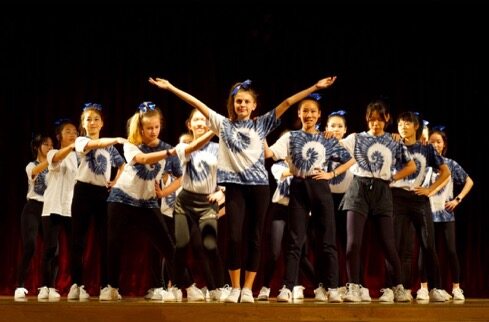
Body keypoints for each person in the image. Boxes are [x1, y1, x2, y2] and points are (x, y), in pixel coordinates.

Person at [149, 75, 337, 303]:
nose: (242, 105)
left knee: (255, 238)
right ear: (233, 103)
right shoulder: (223, 125)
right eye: (238, 101)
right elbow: (197, 103)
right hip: (235, 188)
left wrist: (314, 87)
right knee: (235, 237)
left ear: (254, 105)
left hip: (259, 187)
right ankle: (235, 287)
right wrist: (171, 87)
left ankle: (248, 288)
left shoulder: (261, 124)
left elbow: (287, 103)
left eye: (247, 102)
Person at [266, 93, 355, 303]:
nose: (309, 115)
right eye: (305, 111)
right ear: (299, 113)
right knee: (295, 240)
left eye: (313, 111)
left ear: (319, 115)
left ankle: (332, 287)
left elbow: (350, 159)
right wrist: (260, 133)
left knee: (328, 240)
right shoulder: (290, 137)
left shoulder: (326, 138)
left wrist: (331, 174)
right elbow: (269, 154)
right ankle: (288, 287)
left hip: (320, 186)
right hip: (298, 186)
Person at [340, 99, 416, 303]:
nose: (375, 124)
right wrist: (330, 133)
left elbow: (411, 166)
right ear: (366, 120)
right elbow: (335, 145)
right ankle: (354, 287)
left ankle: (398, 287)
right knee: (353, 243)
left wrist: (392, 178)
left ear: (387, 119)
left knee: (388, 244)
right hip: (358, 188)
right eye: (372, 120)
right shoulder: (356, 138)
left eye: (379, 120)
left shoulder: (394, 141)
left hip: (382, 190)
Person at [101, 102, 177, 301]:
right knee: (114, 243)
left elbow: (180, 175)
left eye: (156, 127)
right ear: (141, 128)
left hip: (148, 202)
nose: (153, 131)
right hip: (122, 198)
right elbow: (143, 159)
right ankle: (111, 287)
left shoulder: (168, 148)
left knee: (167, 245)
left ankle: (170, 286)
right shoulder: (130, 144)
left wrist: (164, 191)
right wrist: (170, 153)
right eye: (149, 128)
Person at [387, 112, 451, 302]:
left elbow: (445, 172)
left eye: (407, 123)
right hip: (396, 197)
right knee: (399, 247)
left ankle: (436, 288)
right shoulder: (392, 144)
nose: (403, 126)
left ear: (416, 127)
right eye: (400, 123)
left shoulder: (426, 148)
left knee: (428, 245)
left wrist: (430, 190)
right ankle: (398, 288)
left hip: (418, 198)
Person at [68, 103, 126, 300]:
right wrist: (116, 139)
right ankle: (77, 284)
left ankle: (106, 286)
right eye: (88, 119)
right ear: (83, 124)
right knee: (78, 240)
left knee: (106, 241)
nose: (92, 122)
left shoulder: (109, 146)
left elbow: (122, 165)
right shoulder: (80, 140)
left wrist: (114, 182)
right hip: (83, 191)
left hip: (102, 193)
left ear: (102, 123)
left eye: (96, 119)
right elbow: (94, 145)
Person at [171, 109, 231, 302]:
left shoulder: (219, 148)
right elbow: (196, 146)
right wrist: (215, 128)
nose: (200, 124)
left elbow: (228, 176)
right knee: (181, 244)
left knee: (210, 245)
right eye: (196, 120)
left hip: (207, 204)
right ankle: (176, 288)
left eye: (205, 121)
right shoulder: (183, 146)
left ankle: (218, 288)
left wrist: (220, 192)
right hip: (185, 203)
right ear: (189, 124)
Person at [417, 126, 474, 301]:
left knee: (451, 250)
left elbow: (469, 181)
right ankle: (424, 288)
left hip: (446, 214)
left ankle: (456, 287)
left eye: (438, 142)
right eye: (432, 141)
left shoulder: (450, 164)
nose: (435, 144)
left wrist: (457, 199)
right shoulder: (422, 164)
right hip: (426, 214)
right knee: (425, 250)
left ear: (444, 145)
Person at [324, 110, 371, 302]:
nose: (335, 129)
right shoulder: (321, 144)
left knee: (352, 245)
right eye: (332, 126)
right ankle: (332, 286)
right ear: (326, 128)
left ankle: (359, 285)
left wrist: (394, 135)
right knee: (329, 244)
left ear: (345, 130)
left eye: (339, 126)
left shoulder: (351, 143)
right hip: (326, 199)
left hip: (350, 199)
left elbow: (372, 133)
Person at [256, 157, 315, 301]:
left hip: (300, 212)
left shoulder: (307, 165)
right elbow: (287, 173)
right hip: (280, 210)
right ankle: (265, 287)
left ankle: (306, 285)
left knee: (299, 254)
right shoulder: (278, 166)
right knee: (274, 252)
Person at [39, 119, 79, 300]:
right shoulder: (53, 152)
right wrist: (72, 147)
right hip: (53, 206)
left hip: (71, 208)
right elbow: (55, 160)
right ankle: (47, 286)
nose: (73, 134)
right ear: (59, 136)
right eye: (69, 131)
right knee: (51, 249)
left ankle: (77, 285)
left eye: (75, 132)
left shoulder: (79, 157)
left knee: (75, 248)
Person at [14, 133, 53, 300]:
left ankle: (47, 286)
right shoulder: (31, 165)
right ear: (37, 147)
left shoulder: (55, 166)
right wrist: (53, 158)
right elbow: (35, 172)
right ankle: (20, 286)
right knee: (30, 245)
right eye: (46, 145)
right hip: (33, 207)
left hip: (49, 208)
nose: (50, 148)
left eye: (52, 145)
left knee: (52, 249)